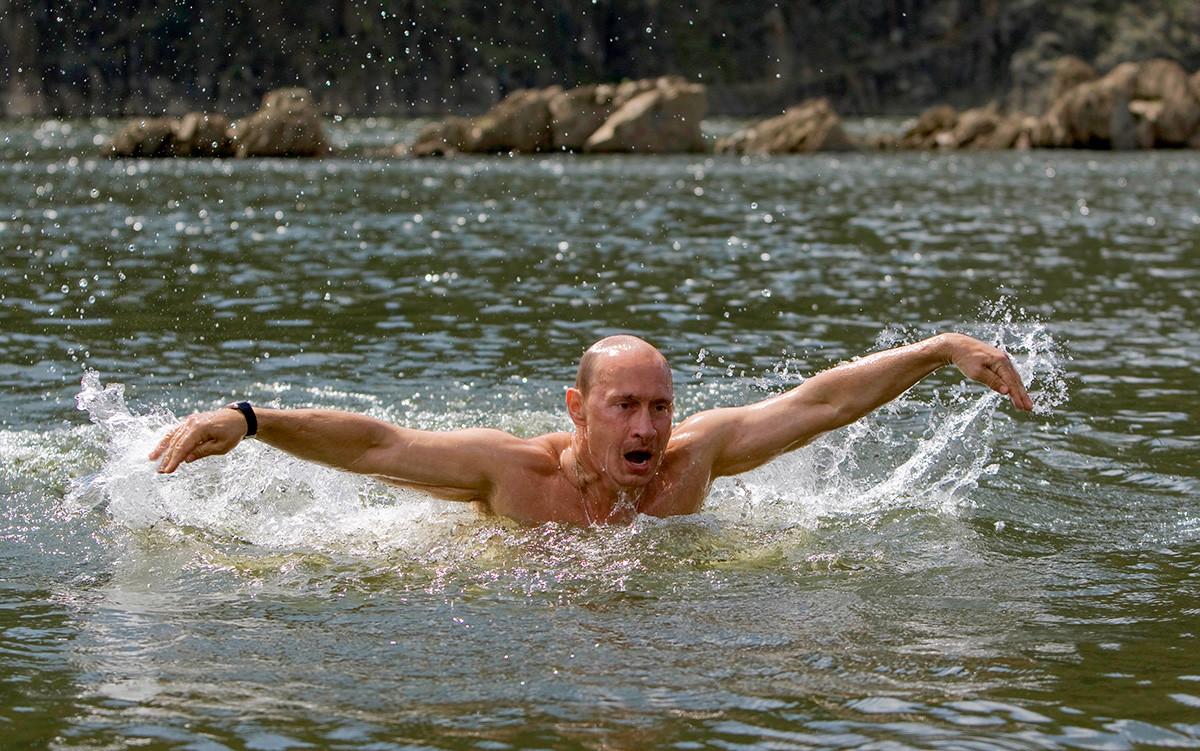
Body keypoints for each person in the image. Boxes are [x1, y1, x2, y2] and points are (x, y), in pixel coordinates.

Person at [151, 333, 1033, 525]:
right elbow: (379, 444)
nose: (648, 425)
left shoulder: (693, 463)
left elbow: (819, 403)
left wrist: (942, 349)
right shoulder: (510, 473)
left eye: (659, 405)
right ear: (577, 410)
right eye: (625, 405)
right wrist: (251, 418)